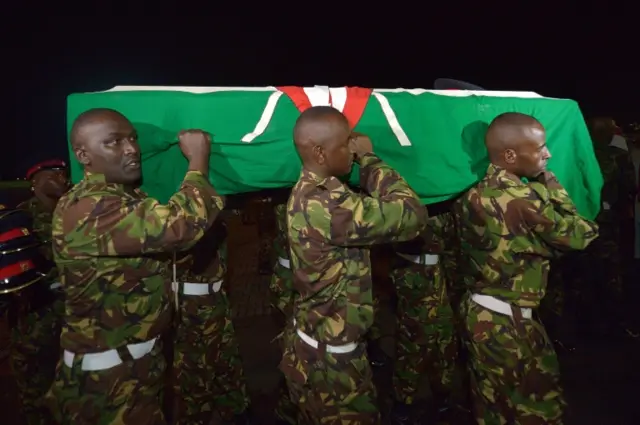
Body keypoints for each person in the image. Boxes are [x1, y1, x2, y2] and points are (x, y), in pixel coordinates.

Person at [46, 108, 223, 425]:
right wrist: (197, 162)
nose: (131, 149)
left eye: (133, 139)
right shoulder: (89, 207)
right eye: (114, 142)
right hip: (105, 385)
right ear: (83, 155)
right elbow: (181, 226)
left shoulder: (125, 198)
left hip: (133, 370)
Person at [281, 106, 428, 424]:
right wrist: (370, 159)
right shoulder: (330, 206)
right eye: (345, 143)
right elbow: (413, 215)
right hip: (332, 366)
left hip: (320, 349)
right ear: (320, 152)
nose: (352, 149)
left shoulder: (312, 191)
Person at [453, 112, 598, 424]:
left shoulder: (472, 194)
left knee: (492, 408)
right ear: (510, 155)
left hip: (480, 312)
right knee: (541, 411)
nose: (548, 154)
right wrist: (551, 181)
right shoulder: (525, 200)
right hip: (510, 323)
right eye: (540, 148)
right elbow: (582, 234)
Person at [171, 218, 252, 425]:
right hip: (194, 308)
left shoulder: (214, 217)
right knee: (196, 373)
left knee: (228, 362)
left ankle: (235, 409)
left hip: (217, 300)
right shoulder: (179, 220)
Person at [10, 160, 69, 425]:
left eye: (62, 173)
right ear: (34, 181)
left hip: (71, 321)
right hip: (35, 323)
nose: (61, 177)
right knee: (35, 391)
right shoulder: (20, 219)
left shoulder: (73, 215)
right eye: (52, 174)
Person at [389, 212, 458, 424]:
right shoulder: (405, 202)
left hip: (438, 271)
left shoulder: (446, 200)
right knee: (416, 339)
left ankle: (442, 393)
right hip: (413, 272)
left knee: (444, 335)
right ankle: (403, 400)